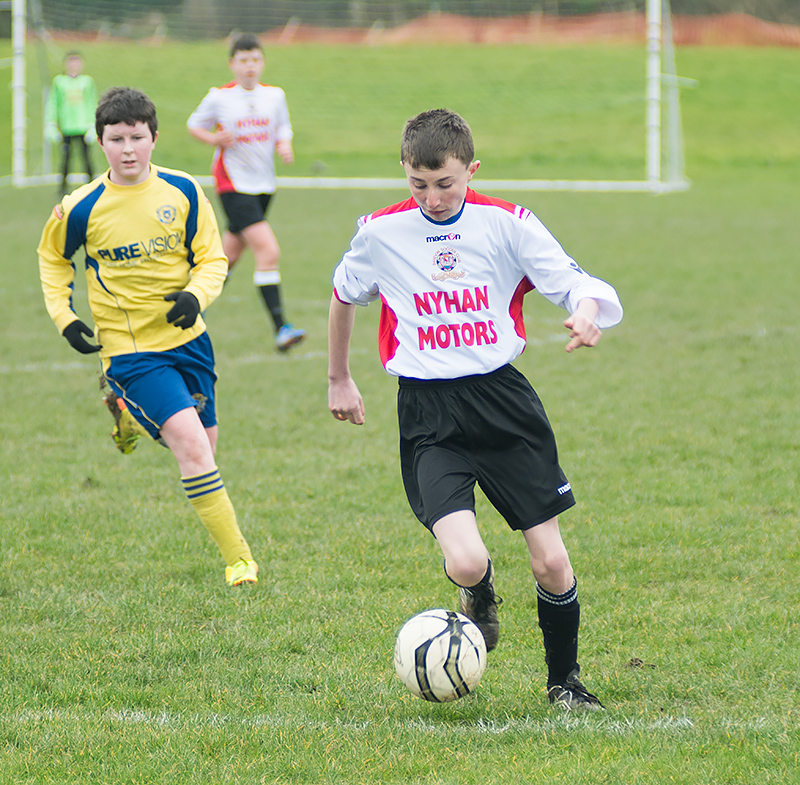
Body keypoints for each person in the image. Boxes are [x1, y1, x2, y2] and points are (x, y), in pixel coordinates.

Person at [327, 109, 623, 710]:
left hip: (504, 406)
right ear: (404, 172)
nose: (432, 198)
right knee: (464, 559)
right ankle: (479, 595)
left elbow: (575, 281)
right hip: (429, 413)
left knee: (551, 561)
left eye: (446, 183)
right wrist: (339, 377)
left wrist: (587, 311)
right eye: (418, 184)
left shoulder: (506, 223)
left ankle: (562, 682)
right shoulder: (381, 232)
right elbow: (343, 293)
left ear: (471, 171)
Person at [38, 86, 259, 588]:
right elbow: (52, 259)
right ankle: (240, 560)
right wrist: (65, 317)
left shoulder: (182, 190)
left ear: (154, 138)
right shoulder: (81, 207)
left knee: (206, 445)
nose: (128, 149)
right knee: (192, 450)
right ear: (100, 143)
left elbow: (213, 258)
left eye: (137, 137)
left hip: (190, 341)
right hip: (130, 350)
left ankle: (128, 418)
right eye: (116, 139)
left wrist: (196, 297)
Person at [187, 32, 305, 353]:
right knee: (268, 251)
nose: (250, 66)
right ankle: (282, 328)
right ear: (232, 64)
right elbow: (194, 124)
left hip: (264, 186)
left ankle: (190, 311)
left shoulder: (275, 96)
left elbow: (283, 126)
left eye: (255, 60)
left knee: (228, 257)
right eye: (243, 61)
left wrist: (284, 143)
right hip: (233, 185)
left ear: (263, 62)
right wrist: (214, 140)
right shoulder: (220, 97)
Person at [45, 51, 98, 197]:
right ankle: (62, 188)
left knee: (87, 158)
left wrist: (93, 124)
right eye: (71, 62)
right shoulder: (59, 82)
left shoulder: (87, 81)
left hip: (83, 127)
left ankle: (92, 185)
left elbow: (91, 103)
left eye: (77, 62)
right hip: (67, 127)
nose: (74, 65)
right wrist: (51, 123)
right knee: (65, 159)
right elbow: (54, 102)